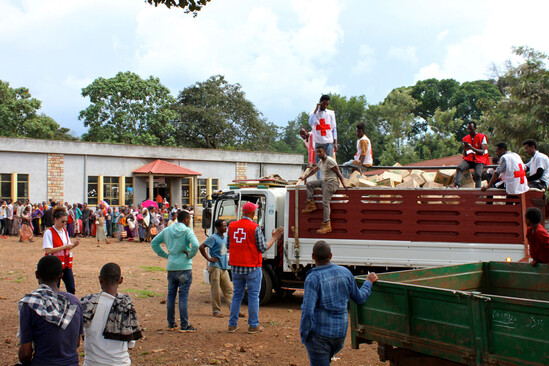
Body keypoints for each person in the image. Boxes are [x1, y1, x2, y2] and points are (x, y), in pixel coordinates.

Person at [300, 240, 378, 365]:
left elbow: (308, 311)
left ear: (312, 256)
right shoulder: (345, 273)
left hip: (320, 336)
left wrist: (304, 334)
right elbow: (360, 298)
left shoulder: (313, 279)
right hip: (339, 334)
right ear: (331, 256)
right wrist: (368, 282)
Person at [227, 202, 284, 334]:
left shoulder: (232, 226)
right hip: (252, 266)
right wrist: (275, 237)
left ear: (243, 212)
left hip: (236, 266)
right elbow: (263, 247)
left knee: (237, 295)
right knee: (253, 296)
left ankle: (232, 325)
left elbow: (229, 245)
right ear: (253, 213)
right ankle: (253, 325)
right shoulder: (255, 227)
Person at [18, 256, 83, 366]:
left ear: (37, 274)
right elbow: (76, 343)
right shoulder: (74, 302)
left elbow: (25, 355)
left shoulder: (30, 303)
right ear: (61, 275)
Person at [81, 262, 143, 366]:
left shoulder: (87, 303)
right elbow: (131, 343)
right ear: (121, 280)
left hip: (92, 362)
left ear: (100, 279)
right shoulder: (125, 305)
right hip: (119, 363)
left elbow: (81, 335)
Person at [151, 210, 199, 332]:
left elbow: (154, 243)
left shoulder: (168, 230)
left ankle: (171, 323)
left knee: (171, 296)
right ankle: (184, 324)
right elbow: (196, 245)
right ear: (187, 219)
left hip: (172, 266)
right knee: (183, 296)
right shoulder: (187, 231)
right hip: (184, 266)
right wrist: (190, 255)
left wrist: (166, 255)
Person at [301, 144, 349, 234]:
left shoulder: (330, 161)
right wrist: (305, 177)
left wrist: (344, 184)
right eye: (317, 152)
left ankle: (327, 224)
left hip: (332, 183)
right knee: (309, 184)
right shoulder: (321, 161)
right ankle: (311, 204)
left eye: (320, 152)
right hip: (325, 181)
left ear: (325, 152)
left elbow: (339, 173)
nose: (318, 154)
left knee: (325, 202)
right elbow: (314, 170)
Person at [199, 219, 235, 318]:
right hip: (215, 267)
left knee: (228, 290)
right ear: (218, 227)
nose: (225, 227)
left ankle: (234, 310)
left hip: (223, 267)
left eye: (226, 226)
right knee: (215, 290)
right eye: (223, 226)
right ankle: (216, 311)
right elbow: (201, 247)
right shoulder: (213, 238)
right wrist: (208, 258)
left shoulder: (225, 237)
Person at [43, 207, 80, 294]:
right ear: (55, 220)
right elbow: (48, 250)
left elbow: (68, 247)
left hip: (66, 264)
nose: (64, 224)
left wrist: (74, 245)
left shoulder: (64, 231)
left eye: (66, 222)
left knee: (71, 288)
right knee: (55, 288)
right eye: (62, 221)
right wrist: (64, 246)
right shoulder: (49, 232)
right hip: (54, 265)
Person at [454, 121, 490, 188]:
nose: (469, 131)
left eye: (471, 129)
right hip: (469, 159)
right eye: (468, 129)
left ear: (475, 128)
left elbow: (482, 151)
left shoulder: (482, 137)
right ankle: (456, 185)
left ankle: (477, 191)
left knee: (478, 174)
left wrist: (471, 147)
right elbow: (464, 155)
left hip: (479, 160)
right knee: (459, 167)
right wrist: (464, 148)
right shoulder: (465, 138)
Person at [309, 95, 337, 178]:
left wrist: (335, 142)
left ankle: (330, 179)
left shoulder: (331, 113)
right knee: (319, 164)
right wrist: (315, 110)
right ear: (320, 102)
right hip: (319, 142)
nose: (325, 106)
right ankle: (320, 181)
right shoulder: (313, 114)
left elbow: (334, 128)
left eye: (327, 104)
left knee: (329, 162)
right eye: (324, 104)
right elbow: (311, 123)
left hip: (329, 142)